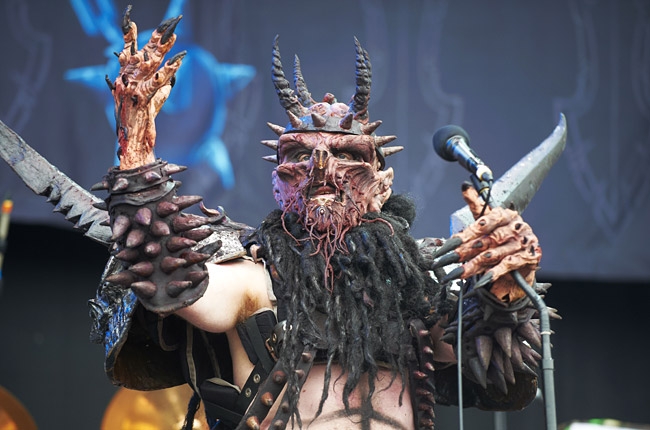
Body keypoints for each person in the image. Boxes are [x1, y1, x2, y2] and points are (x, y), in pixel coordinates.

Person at [24, 7, 551, 430]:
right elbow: (176, 285)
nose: (322, 168)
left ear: (383, 183)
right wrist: (136, 154)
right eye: (299, 155)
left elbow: (493, 373)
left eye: (346, 155)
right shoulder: (255, 282)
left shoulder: (417, 291)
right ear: (278, 182)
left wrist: (503, 295)